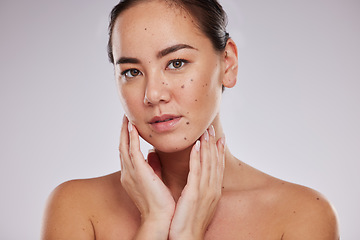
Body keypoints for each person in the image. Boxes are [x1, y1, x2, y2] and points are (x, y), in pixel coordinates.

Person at [41, 0, 339, 239]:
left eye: (176, 63)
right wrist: (154, 223)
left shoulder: (301, 214)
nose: (153, 94)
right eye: (132, 71)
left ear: (228, 64)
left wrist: (187, 232)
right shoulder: (76, 207)